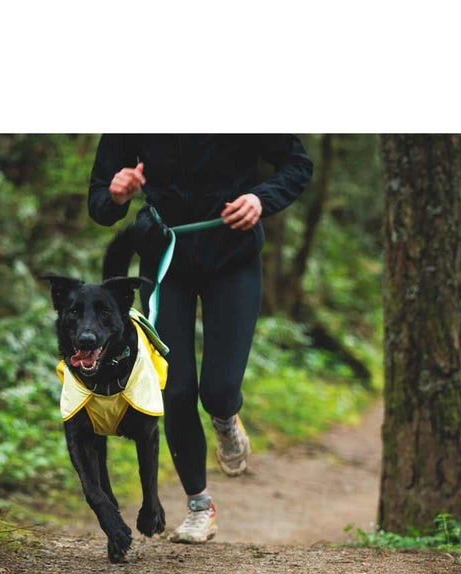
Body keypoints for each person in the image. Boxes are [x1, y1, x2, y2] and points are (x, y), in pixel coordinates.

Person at [88, 135, 312, 543]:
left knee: (219, 390)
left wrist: (261, 199)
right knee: (173, 389)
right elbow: (100, 201)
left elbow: (297, 165)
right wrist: (117, 194)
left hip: (232, 257)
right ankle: (199, 506)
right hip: (165, 256)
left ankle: (226, 419)